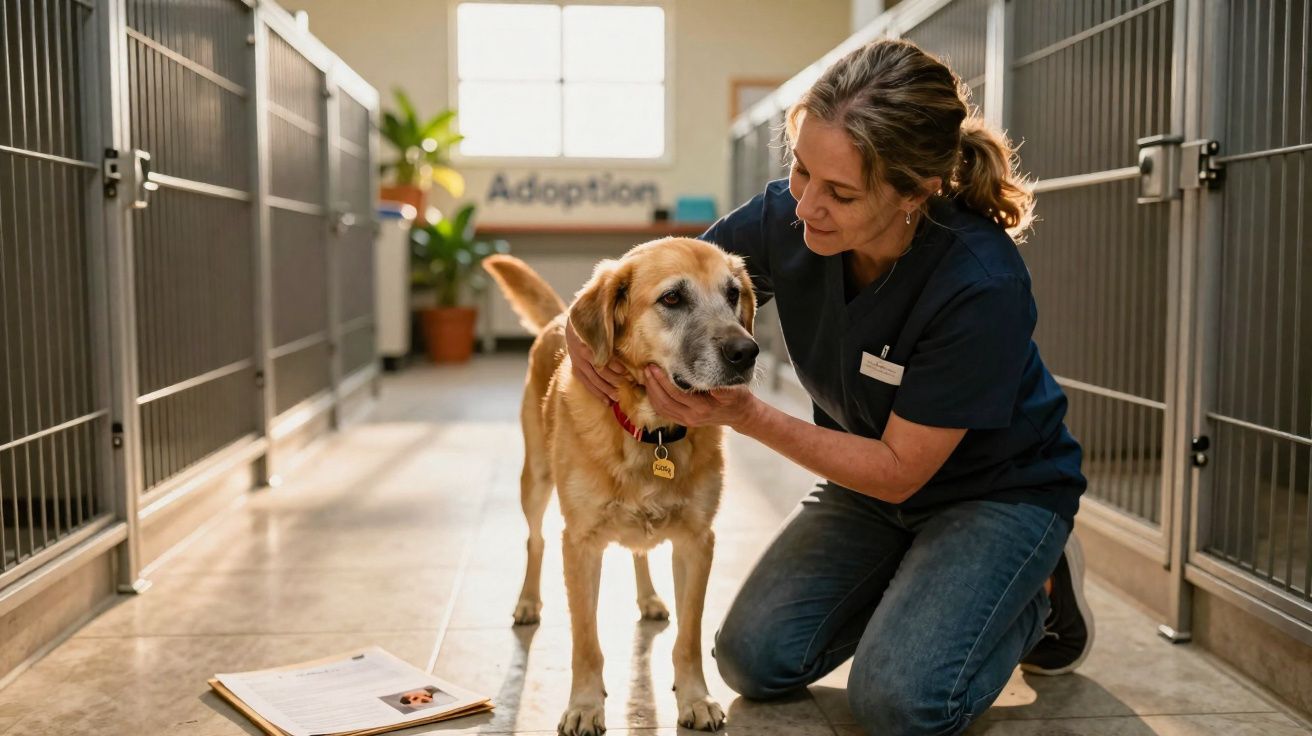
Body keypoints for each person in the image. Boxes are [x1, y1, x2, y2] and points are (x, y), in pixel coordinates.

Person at [565, 38, 1091, 736]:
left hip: (994, 492)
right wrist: (583, 335)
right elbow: (656, 280)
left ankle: (1038, 588)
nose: (804, 206)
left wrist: (747, 415)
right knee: (752, 659)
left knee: (902, 704)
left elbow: (903, 471)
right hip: (865, 488)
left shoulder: (978, 284)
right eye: (800, 170)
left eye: (840, 192)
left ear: (916, 191)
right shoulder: (790, 217)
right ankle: (922, 579)